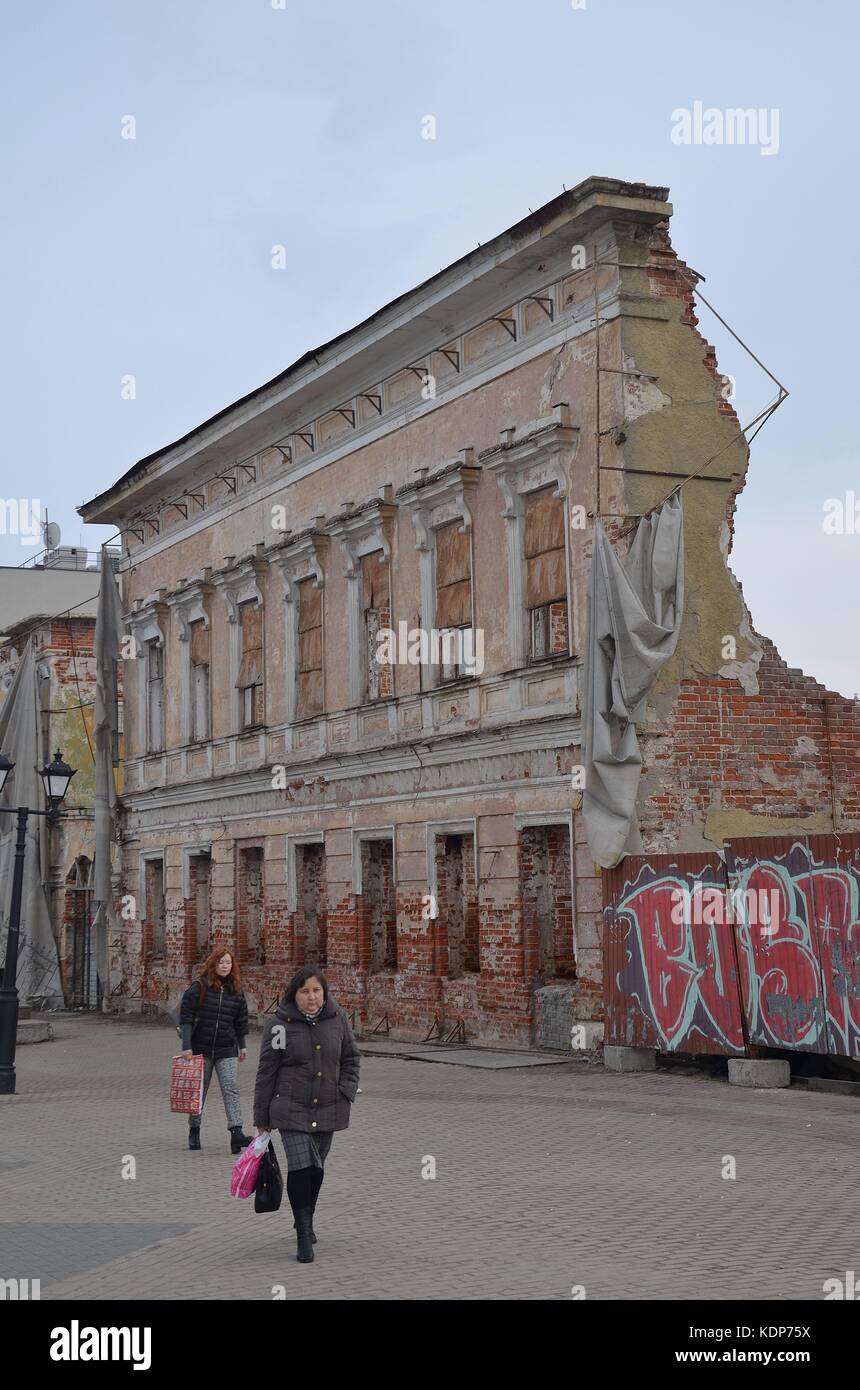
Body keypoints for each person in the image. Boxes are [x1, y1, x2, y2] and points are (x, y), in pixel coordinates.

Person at [253, 965, 361, 1263]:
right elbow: (267, 1071)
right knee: (301, 1167)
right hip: (290, 1109)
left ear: (324, 993)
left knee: (316, 1169)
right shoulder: (279, 1025)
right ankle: (303, 1234)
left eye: (316, 991)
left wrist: (346, 1091)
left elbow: (351, 1058)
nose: (312, 997)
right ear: (294, 994)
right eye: (305, 992)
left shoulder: (338, 1019)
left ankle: (307, 1217)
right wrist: (262, 1117)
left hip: (328, 1105)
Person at [179, 947, 253, 1154]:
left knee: (231, 1088)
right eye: (221, 962)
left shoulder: (236, 990)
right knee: (198, 1092)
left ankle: (236, 1132)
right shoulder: (199, 987)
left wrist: (243, 1045)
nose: (224, 966)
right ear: (213, 964)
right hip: (200, 1048)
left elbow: (241, 1020)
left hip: (226, 1047)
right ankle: (194, 1127)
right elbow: (185, 1018)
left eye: (228, 963)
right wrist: (187, 1046)